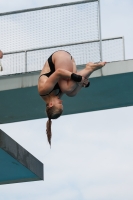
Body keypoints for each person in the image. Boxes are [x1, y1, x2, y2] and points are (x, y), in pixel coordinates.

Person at [38, 50, 106, 146]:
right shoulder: (56, 96)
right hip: (70, 62)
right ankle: (89, 70)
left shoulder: (44, 90)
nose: (61, 101)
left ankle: (89, 68)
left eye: (60, 103)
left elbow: (59, 72)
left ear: (51, 104)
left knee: (67, 88)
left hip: (60, 57)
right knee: (71, 93)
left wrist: (77, 78)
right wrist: (82, 83)